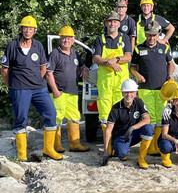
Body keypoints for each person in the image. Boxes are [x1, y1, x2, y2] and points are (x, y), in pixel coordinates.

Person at [1, 15, 62, 161]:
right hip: (19, 88)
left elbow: (43, 68)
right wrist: (12, 85)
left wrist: (35, 80)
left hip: (39, 88)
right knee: (21, 119)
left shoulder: (38, 46)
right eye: (25, 28)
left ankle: (48, 149)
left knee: (51, 113)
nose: (28, 31)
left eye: (31, 28)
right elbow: (4, 70)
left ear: (34, 30)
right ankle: (21, 155)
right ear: (21, 29)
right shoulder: (12, 46)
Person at [130, 20, 175, 154]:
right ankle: (149, 147)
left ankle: (157, 145)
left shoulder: (164, 48)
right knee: (149, 117)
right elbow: (132, 67)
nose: (151, 38)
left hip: (162, 89)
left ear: (158, 35)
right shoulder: (138, 48)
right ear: (145, 34)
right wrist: (137, 75)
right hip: (145, 89)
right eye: (149, 35)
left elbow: (171, 63)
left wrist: (170, 74)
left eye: (154, 35)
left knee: (161, 117)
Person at [46, 25, 90, 153]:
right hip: (59, 92)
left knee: (75, 117)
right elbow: (49, 74)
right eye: (64, 38)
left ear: (73, 40)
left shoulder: (75, 54)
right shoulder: (54, 54)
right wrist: (55, 91)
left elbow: (81, 66)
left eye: (69, 38)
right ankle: (56, 145)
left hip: (73, 91)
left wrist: (85, 69)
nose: (67, 40)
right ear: (60, 39)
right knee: (57, 117)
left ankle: (75, 144)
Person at [92, 11, 132, 138]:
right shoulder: (100, 39)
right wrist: (108, 63)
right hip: (105, 82)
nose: (112, 23)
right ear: (105, 24)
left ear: (119, 24)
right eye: (109, 21)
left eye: (115, 21)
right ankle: (107, 144)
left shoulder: (124, 38)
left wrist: (116, 60)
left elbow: (128, 57)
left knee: (121, 109)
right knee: (105, 111)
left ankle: (118, 141)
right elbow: (96, 58)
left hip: (121, 82)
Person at [101, 79, 154, 169]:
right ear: (122, 93)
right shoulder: (115, 108)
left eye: (131, 92)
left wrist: (132, 128)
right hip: (121, 136)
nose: (129, 95)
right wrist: (106, 150)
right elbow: (108, 129)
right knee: (123, 156)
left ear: (135, 93)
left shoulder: (139, 102)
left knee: (149, 128)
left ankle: (141, 158)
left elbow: (147, 119)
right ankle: (119, 149)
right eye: (126, 92)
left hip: (134, 133)